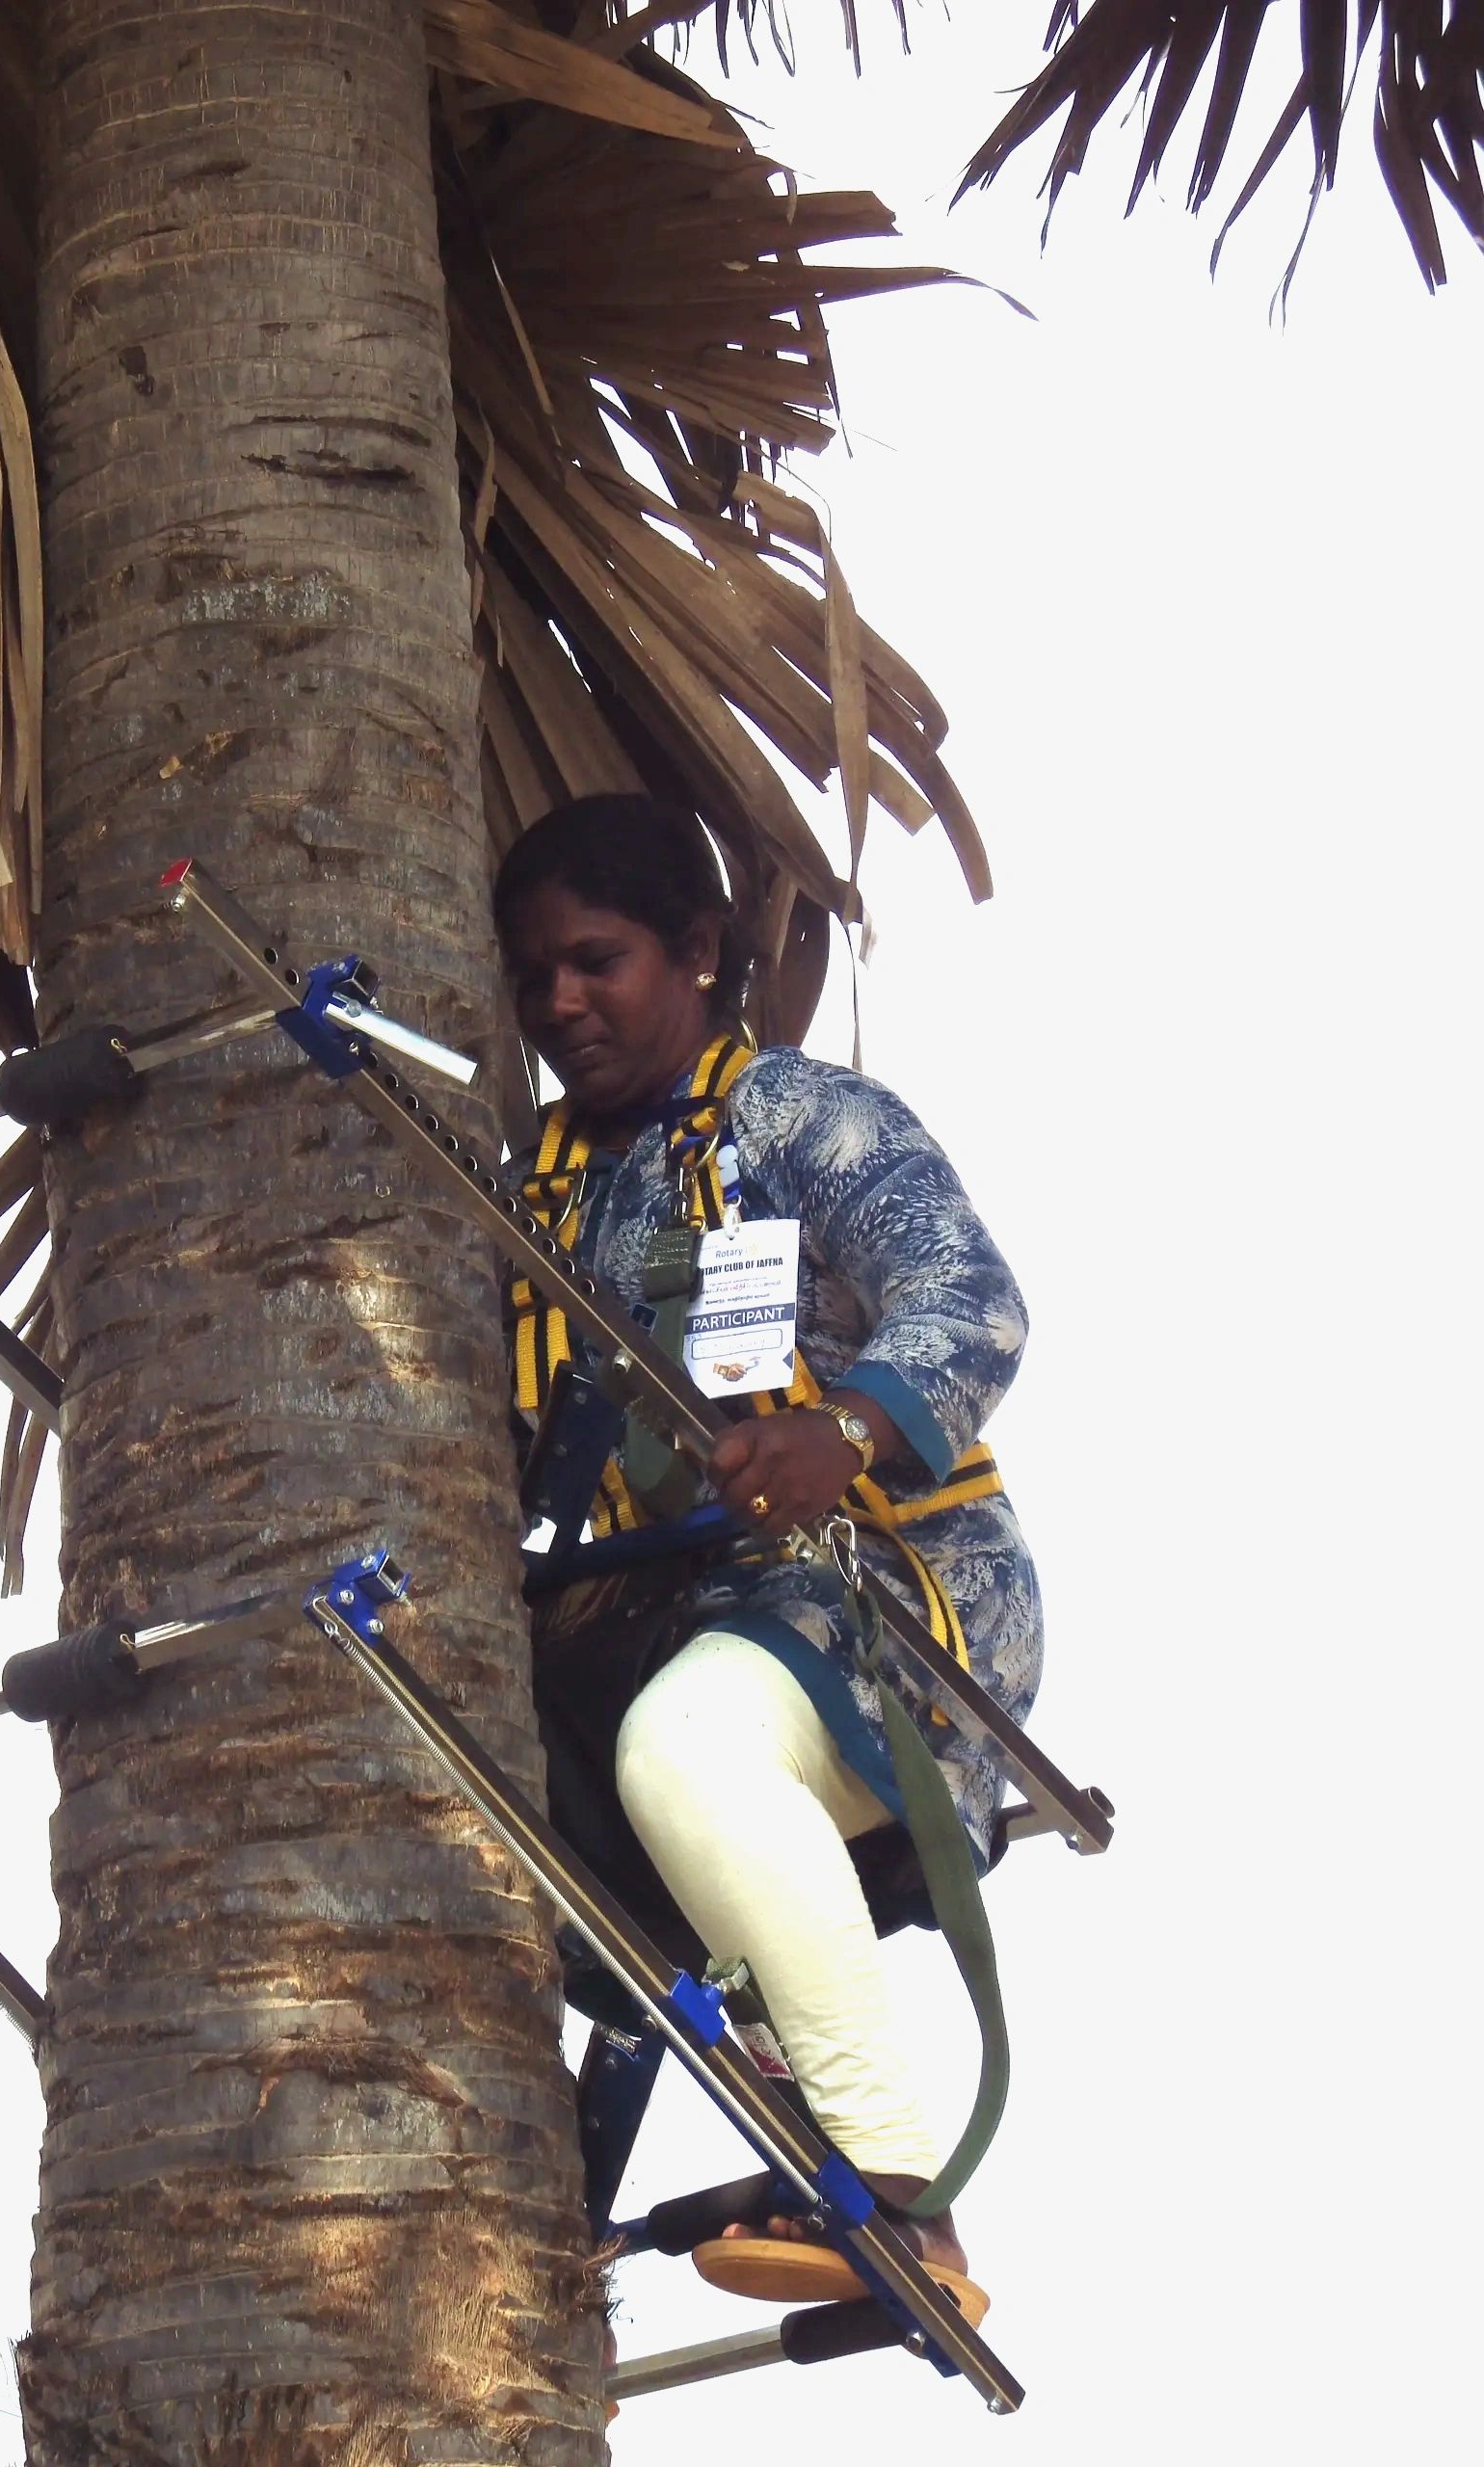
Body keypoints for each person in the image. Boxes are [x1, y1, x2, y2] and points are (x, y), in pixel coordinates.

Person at [492, 794, 1045, 2326]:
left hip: (883, 1602)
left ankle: (884, 2189)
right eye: (534, 976)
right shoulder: (518, 1187)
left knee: (691, 1751)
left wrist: (848, 1431)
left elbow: (973, 1300)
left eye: (597, 962)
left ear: (700, 951)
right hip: (649, 1618)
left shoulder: (804, 1121)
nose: (561, 1005)